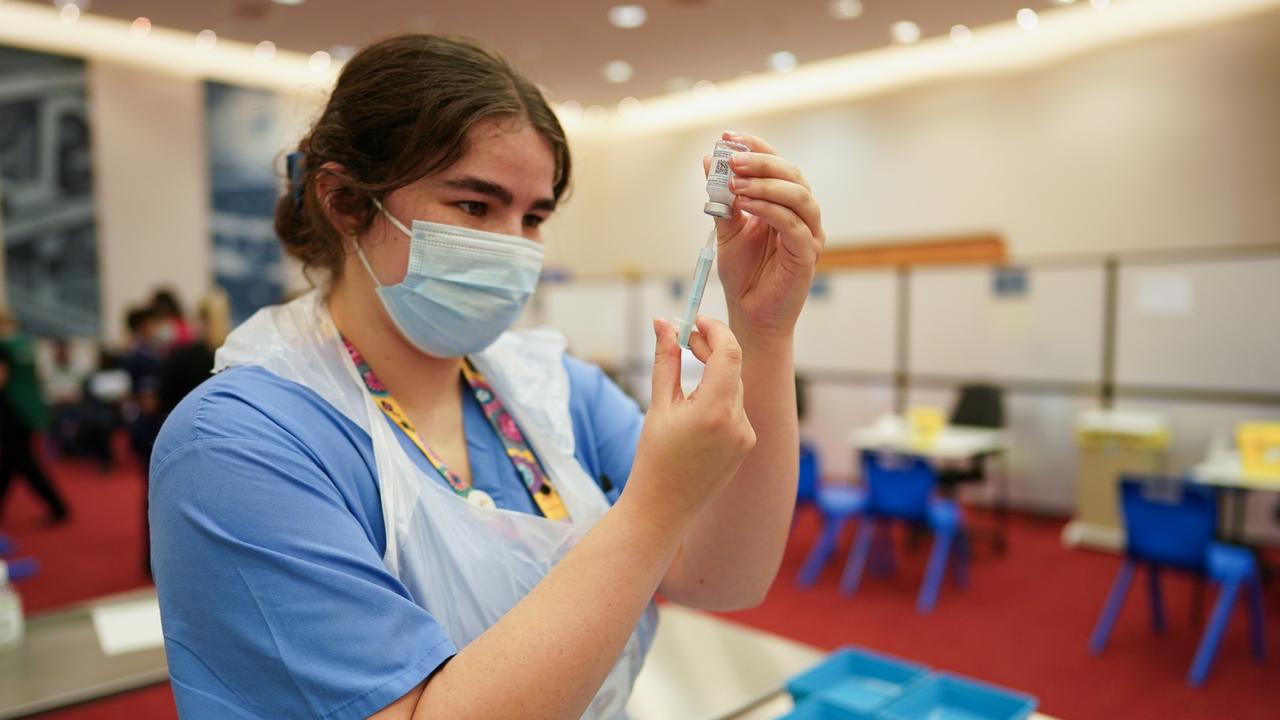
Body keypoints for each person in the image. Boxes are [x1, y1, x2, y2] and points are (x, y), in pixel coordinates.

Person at [150, 34, 824, 719]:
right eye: (475, 207)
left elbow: (722, 578)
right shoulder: (237, 445)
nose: (512, 245)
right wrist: (654, 509)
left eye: (533, 216)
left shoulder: (553, 392)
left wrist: (763, 332)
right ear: (347, 202)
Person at [0, 310, 69, 524]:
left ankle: (58, 506)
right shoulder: (27, 344)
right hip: (30, 407)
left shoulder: (4, 347)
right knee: (13, 460)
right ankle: (57, 506)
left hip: (11, 408)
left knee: (21, 460)